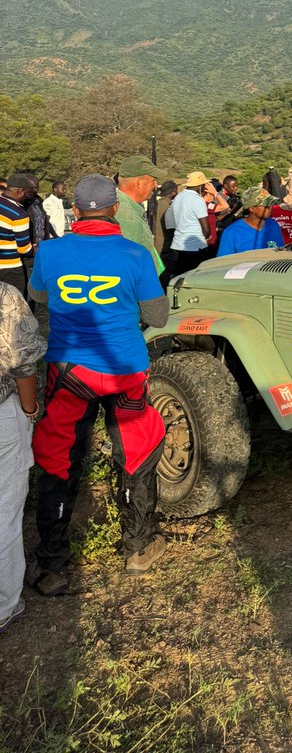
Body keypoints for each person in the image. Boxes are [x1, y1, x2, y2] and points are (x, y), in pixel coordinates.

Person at [26, 174, 169, 595]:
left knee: (58, 457)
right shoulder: (136, 253)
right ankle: (139, 548)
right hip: (124, 367)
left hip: (70, 371)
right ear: (113, 209)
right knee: (136, 447)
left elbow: (39, 298)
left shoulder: (50, 251)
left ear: (75, 210)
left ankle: (53, 566)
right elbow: (158, 316)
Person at [0, 282, 44, 633]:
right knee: (5, 510)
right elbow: (23, 365)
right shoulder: (5, 297)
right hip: (2, 417)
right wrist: (30, 411)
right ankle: (4, 605)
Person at [116, 155, 164, 275]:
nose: (155, 185)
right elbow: (128, 263)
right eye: (153, 180)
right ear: (139, 183)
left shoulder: (128, 206)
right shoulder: (126, 214)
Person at [216, 187, 284, 256]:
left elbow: (280, 253)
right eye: (266, 206)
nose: (270, 208)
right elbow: (223, 262)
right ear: (252, 209)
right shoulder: (231, 232)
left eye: (271, 204)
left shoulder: (273, 225)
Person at [168, 172, 213, 276]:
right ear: (200, 186)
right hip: (194, 248)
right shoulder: (197, 200)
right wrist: (206, 238)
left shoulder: (178, 197)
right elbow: (206, 229)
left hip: (177, 245)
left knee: (178, 278)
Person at [0, 175, 34, 297]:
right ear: (20, 191)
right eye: (29, 193)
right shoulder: (19, 214)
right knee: (15, 304)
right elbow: (24, 248)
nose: (30, 197)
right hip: (10, 268)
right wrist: (34, 248)